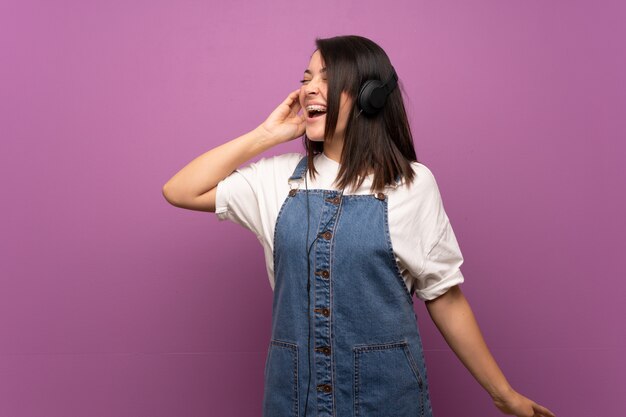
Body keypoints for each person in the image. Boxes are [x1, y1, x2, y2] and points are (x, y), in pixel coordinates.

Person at [163, 35, 555, 417]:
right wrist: (267, 135)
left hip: (386, 398)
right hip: (293, 397)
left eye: (328, 80)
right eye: (306, 79)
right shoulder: (276, 180)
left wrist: (503, 394)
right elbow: (179, 190)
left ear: (370, 97)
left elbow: (444, 297)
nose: (309, 90)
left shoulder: (411, 185)